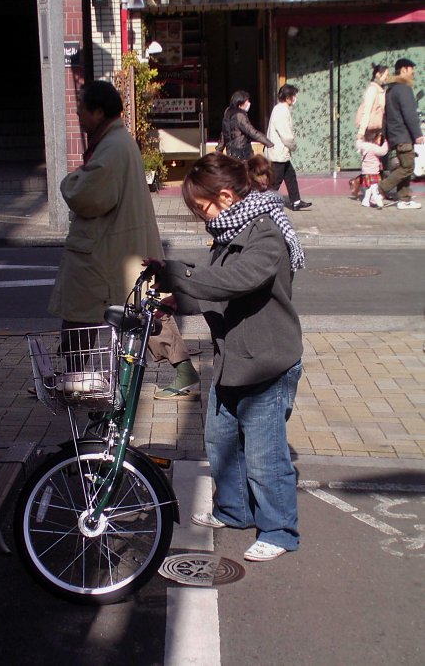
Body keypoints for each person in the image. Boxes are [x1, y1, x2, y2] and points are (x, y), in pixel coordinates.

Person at [144, 152, 304, 562]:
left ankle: (280, 529)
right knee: (221, 440)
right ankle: (233, 510)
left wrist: (181, 273)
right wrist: (175, 301)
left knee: (266, 454)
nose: (200, 216)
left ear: (227, 196)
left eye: (201, 208)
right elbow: (214, 297)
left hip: (267, 362)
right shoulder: (230, 233)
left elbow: (235, 281)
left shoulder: (265, 234)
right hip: (235, 360)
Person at [48, 80, 199, 400]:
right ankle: (70, 378)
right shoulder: (115, 141)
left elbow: (87, 196)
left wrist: (69, 181)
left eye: (82, 109)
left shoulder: (112, 146)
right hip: (121, 245)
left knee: (88, 313)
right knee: (143, 309)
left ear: (99, 112)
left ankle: (71, 380)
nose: (77, 114)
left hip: (110, 250)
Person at [369, 58, 424, 211]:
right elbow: (409, 114)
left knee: (404, 166)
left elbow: (388, 115)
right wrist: (418, 134)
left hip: (396, 134)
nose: (413, 72)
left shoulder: (392, 89)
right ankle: (379, 189)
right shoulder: (404, 89)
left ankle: (404, 199)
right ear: (403, 70)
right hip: (403, 135)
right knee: (408, 167)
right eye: (411, 69)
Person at [266, 84, 312, 211]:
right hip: (279, 153)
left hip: (281, 153)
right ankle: (265, 203)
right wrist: (293, 146)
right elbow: (286, 135)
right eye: (293, 95)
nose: (295, 98)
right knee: (276, 181)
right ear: (287, 97)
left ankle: (296, 201)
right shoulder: (281, 111)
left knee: (290, 175)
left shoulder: (281, 109)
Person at [350, 63, 389, 197]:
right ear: (378, 74)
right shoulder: (372, 90)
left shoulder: (379, 89)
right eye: (385, 75)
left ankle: (372, 189)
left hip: (377, 128)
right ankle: (368, 187)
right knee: (373, 161)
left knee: (374, 162)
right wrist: (361, 132)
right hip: (370, 129)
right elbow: (367, 112)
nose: (386, 78)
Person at [215, 90, 273, 160]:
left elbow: (224, 133)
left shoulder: (228, 112)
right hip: (242, 152)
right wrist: (269, 143)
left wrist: (219, 149)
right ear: (240, 104)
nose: (249, 103)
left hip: (230, 151)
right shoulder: (240, 115)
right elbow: (252, 132)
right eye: (247, 101)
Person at [356, 129, 389, 208]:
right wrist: (385, 143)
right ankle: (377, 200)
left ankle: (366, 201)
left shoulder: (363, 146)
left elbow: (357, 144)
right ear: (375, 139)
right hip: (373, 171)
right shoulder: (374, 148)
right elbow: (383, 151)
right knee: (374, 187)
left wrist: (359, 138)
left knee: (368, 187)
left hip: (365, 171)